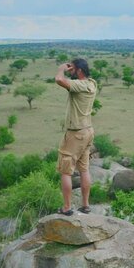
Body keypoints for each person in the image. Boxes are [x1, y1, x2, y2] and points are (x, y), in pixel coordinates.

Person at [54, 58, 97, 215]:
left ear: (79, 70)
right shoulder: (92, 84)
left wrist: (61, 69)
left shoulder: (79, 85)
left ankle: (67, 207)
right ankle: (85, 205)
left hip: (76, 133)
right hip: (88, 131)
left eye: (72, 68)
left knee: (66, 171)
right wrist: (71, 69)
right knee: (84, 169)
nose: (69, 70)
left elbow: (59, 80)